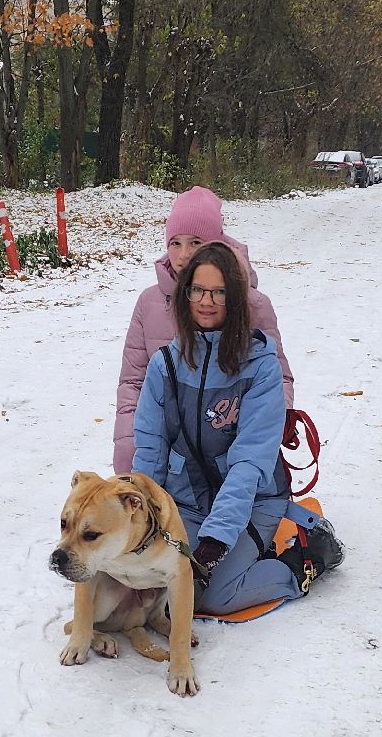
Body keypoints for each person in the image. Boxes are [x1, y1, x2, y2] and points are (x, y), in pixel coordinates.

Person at [131, 242, 342, 615]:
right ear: (185, 294)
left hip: (253, 500)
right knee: (162, 586)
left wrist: (216, 539)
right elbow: (150, 449)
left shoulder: (260, 367)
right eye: (198, 289)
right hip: (189, 501)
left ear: (235, 298)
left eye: (219, 292)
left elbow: (249, 462)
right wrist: (141, 517)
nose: (206, 301)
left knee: (211, 596)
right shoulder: (165, 365)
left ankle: (305, 562)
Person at [113, 186, 293, 477]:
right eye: (175, 243)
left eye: (195, 242)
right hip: (168, 454)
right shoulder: (149, 303)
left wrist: (260, 436)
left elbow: (278, 379)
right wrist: (128, 450)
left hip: (230, 452)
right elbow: (133, 381)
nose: (183, 256)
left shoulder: (252, 304)